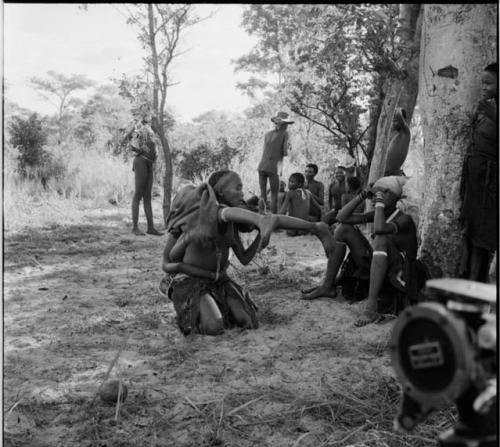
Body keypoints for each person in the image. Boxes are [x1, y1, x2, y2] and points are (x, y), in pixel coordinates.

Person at [161, 169, 334, 336]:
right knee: (214, 327)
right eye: (238, 188)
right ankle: (196, 308)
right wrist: (260, 220)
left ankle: (314, 227)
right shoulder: (203, 216)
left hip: (219, 280)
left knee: (247, 320)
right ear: (220, 190)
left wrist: (262, 232)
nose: (242, 193)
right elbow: (224, 213)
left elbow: (244, 258)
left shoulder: (231, 225)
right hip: (191, 281)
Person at [302, 176, 422, 327]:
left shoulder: (405, 218)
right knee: (343, 229)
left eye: (377, 195)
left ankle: (371, 307)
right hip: (379, 267)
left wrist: (378, 202)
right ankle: (328, 285)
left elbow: (380, 230)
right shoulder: (380, 213)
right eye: (372, 196)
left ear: (391, 194)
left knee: (380, 239)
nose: (373, 200)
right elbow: (341, 217)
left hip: (400, 275)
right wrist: (362, 195)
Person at [459, 62, 498, 283]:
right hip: (474, 181)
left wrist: (495, 116)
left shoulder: (493, 110)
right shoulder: (486, 107)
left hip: (489, 183)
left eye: (489, 83)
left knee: (483, 238)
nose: (483, 87)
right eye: (482, 83)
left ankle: (477, 285)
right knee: (471, 233)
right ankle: (467, 282)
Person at [125, 116, 164, 236]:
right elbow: (130, 144)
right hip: (141, 161)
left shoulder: (152, 131)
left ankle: (150, 228)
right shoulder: (139, 128)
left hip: (149, 163)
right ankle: (135, 228)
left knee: (147, 196)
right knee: (138, 194)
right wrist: (138, 149)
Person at [257, 111, 294, 214]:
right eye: (287, 124)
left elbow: (266, 150)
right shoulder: (285, 134)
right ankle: (274, 219)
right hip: (274, 167)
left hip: (262, 166)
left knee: (262, 193)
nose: (287, 126)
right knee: (274, 194)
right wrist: (290, 148)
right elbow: (285, 152)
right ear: (284, 124)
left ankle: (261, 215)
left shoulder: (267, 134)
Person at [384, 107, 410, 177]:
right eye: (393, 121)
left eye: (395, 121)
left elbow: (398, 114)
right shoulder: (396, 137)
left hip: (394, 176)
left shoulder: (406, 133)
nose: (393, 123)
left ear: (403, 120)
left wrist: (394, 108)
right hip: (387, 175)